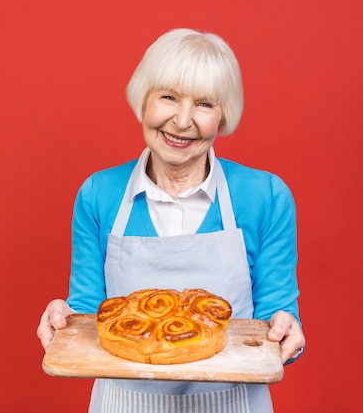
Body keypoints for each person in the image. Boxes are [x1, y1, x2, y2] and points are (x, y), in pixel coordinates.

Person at [36, 28, 305, 413]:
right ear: (143, 100)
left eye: (205, 104)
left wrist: (286, 328)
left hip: (232, 402)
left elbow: (276, 317)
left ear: (223, 115)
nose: (181, 121)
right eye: (168, 97)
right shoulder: (98, 194)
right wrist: (68, 320)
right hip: (124, 403)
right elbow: (91, 314)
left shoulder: (266, 196)